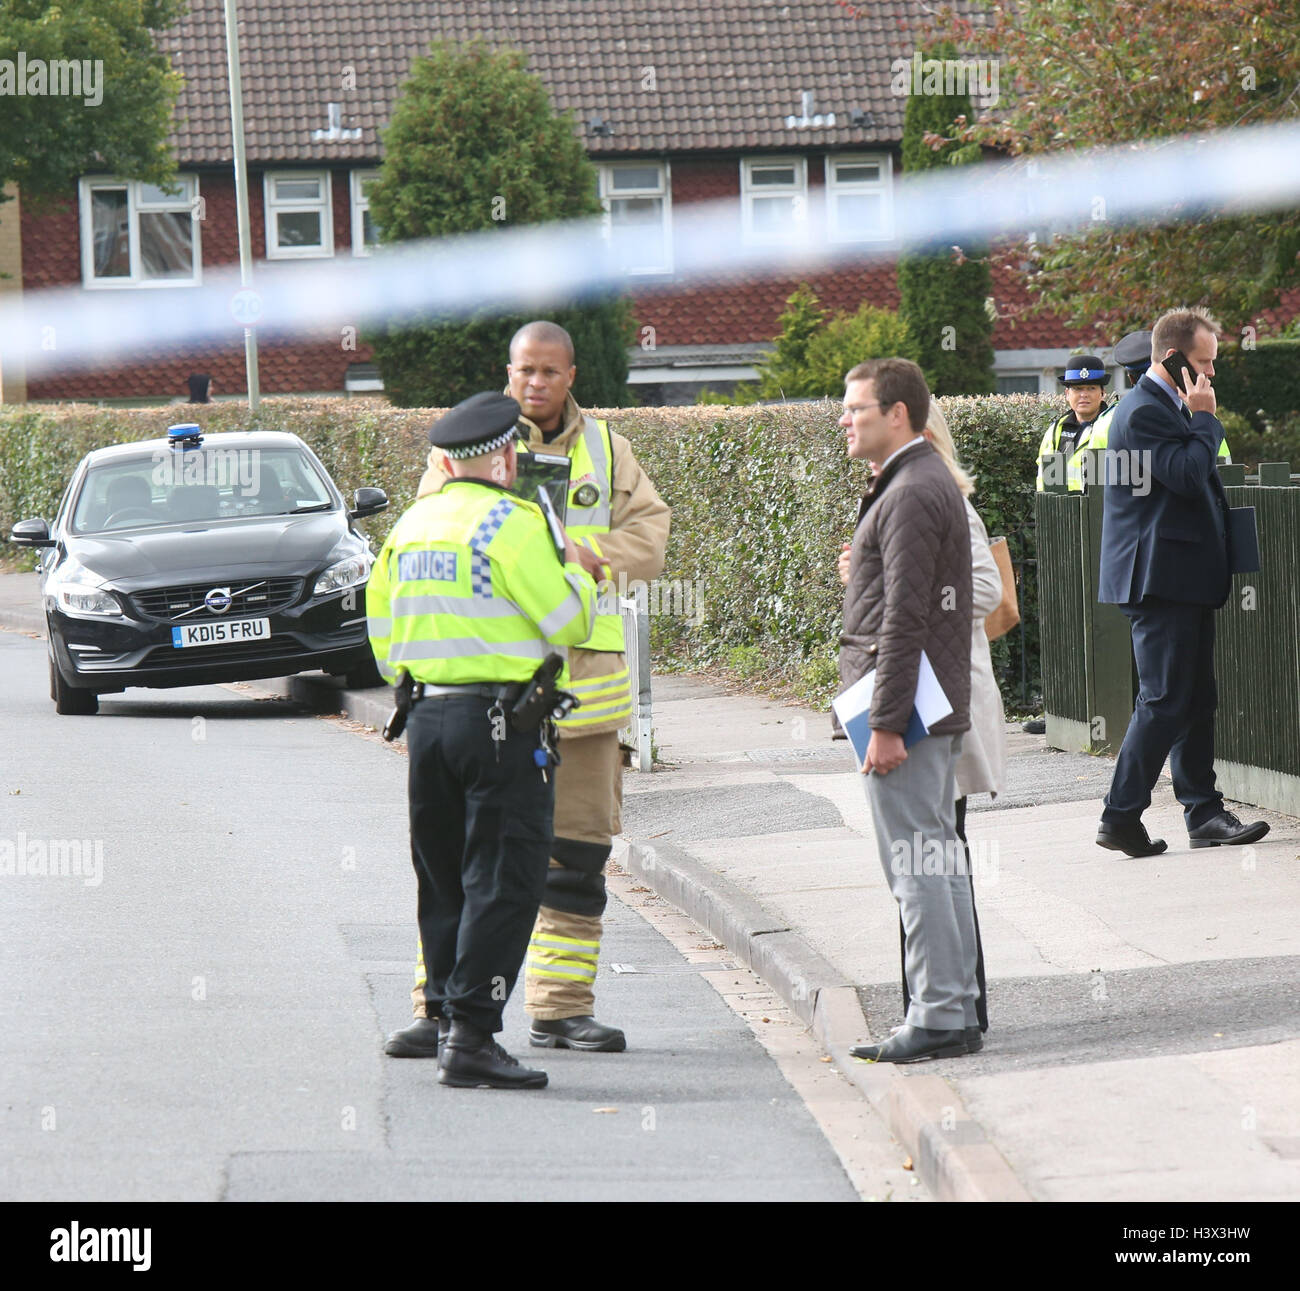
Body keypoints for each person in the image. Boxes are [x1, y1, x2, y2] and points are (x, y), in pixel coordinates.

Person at [385, 320, 670, 1059]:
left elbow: (651, 539)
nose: (534, 383)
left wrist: (589, 549)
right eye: (522, 371)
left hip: (583, 696)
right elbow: (427, 540)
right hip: (487, 697)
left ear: (571, 374)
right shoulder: (460, 449)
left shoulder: (608, 451)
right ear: (506, 374)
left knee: (572, 861)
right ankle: (437, 1007)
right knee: (461, 863)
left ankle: (560, 1008)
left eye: (548, 371)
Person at [367, 391, 599, 1088]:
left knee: (443, 876)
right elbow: (569, 622)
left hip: (426, 721)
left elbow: (381, 637)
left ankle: (439, 1013)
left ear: (443, 461)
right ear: (503, 460)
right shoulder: (516, 521)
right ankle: (472, 1033)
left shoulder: (408, 525)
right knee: (504, 877)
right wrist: (577, 570)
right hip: (502, 727)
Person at [838, 402, 1004, 1044]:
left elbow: (979, 592)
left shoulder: (932, 496)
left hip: (929, 697)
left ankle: (945, 1012)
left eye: (860, 412)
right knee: (937, 855)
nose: (849, 425)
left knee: (926, 858)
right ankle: (953, 1010)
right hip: (926, 693)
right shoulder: (909, 494)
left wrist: (886, 581)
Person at [1096, 307, 1268, 857]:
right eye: (1203, 362)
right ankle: (1121, 816)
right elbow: (1189, 475)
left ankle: (1204, 813)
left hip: (1181, 578)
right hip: (1158, 580)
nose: (1210, 374)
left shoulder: (1164, 407)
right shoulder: (1143, 411)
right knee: (1166, 698)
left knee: (1194, 699)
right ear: (1171, 359)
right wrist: (1206, 419)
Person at [1090, 330, 1232, 468]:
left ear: (1131, 378)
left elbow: (1093, 481)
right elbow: (1225, 471)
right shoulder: (1199, 413)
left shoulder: (1106, 422)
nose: (1210, 372)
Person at [1035, 353, 1113, 493]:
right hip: (1062, 510)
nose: (1084, 394)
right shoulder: (1056, 430)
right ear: (1067, 394)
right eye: (1077, 388)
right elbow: (1044, 479)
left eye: (1091, 388)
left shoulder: (1114, 425)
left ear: (1102, 393)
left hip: (1101, 509)